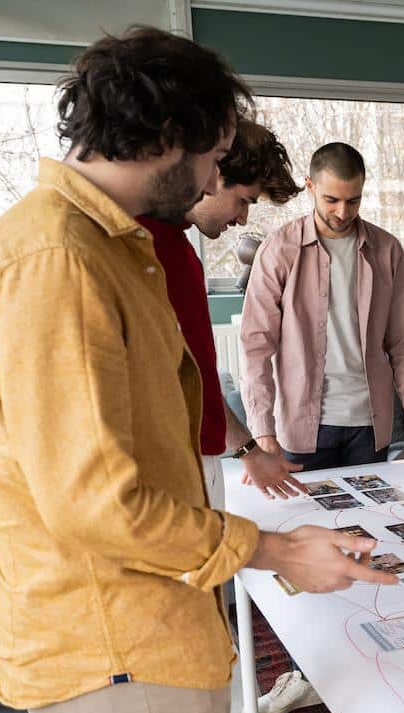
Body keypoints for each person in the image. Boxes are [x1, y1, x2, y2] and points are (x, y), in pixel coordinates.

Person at [0, 28, 398, 713]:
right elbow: (96, 506)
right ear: (169, 136)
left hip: (124, 636)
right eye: (214, 155)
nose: (218, 173)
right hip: (119, 649)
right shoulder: (61, 260)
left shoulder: (105, 247)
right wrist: (276, 552)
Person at [241, 142, 404, 469]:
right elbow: (256, 345)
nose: (343, 212)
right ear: (310, 187)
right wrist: (261, 430)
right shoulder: (279, 250)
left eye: (353, 200)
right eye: (332, 200)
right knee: (308, 519)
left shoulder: (387, 250)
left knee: (371, 520)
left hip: (369, 428)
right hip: (302, 429)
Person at [140, 117, 308, 507]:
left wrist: (247, 450)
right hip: (162, 478)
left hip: (199, 465)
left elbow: (196, 378)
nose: (243, 219)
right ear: (210, 174)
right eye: (244, 200)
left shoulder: (181, 252)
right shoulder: (137, 245)